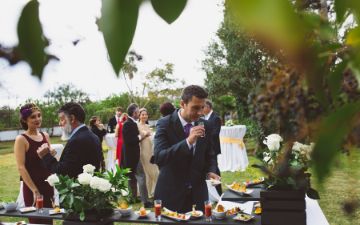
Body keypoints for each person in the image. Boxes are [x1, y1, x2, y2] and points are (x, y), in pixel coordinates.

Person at [153, 85, 220, 213]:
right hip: (172, 194)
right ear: (183, 104)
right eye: (195, 108)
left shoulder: (204, 124)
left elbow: (210, 153)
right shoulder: (164, 124)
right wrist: (188, 141)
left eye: (202, 108)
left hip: (198, 195)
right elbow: (160, 157)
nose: (200, 113)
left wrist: (210, 170)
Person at [37, 102, 103, 178]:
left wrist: (46, 156)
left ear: (72, 118)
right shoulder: (93, 136)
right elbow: (75, 165)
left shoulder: (76, 141)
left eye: (62, 119)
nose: (59, 123)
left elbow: (64, 172)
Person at [14, 103, 55, 224]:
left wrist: (51, 154)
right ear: (25, 120)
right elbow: (21, 167)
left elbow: (47, 161)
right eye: (33, 117)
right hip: (32, 187)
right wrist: (35, 191)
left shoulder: (45, 136)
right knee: (36, 221)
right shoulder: (21, 139)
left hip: (48, 185)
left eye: (39, 115)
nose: (37, 119)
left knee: (49, 220)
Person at [122, 103, 152, 208]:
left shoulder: (131, 123)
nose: (139, 113)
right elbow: (130, 141)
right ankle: (145, 201)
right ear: (134, 113)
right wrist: (141, 135)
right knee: (141, 177)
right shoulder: (128, 124)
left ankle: (133, 198)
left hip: (132, 155)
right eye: (138, 112)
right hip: (131, 156)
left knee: (132, 178)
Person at [137, 108, 159, 197]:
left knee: (149, 173)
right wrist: (144, 135)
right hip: (143, 151)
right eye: (142, 114)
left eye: (146, 114)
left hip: (151, 150)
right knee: (151, 172)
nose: (145, 116)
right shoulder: (137, 126)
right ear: (139, 116)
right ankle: (157, 191)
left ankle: (150, 192)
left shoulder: (148, 126)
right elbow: (137, 139)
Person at [203, 99, 222, 195]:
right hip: (207, 148)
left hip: (213, 148)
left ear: (208, 107)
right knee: (211, 169)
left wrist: (204, 135)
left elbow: (215, 133)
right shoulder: (205, 117)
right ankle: (212, 192)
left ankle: (218, 191)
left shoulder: (215, 118)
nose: (202, 109)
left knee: (215, 169)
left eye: (203, 107)